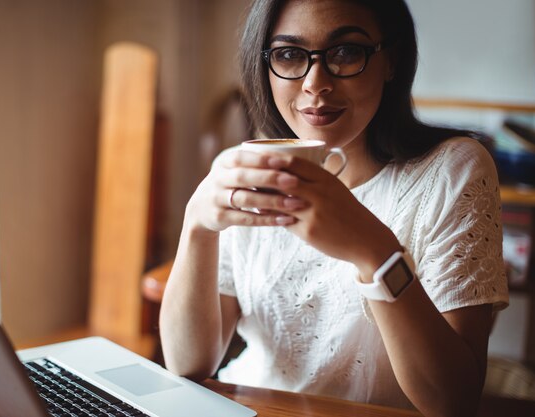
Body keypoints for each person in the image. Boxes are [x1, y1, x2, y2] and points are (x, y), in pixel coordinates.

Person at [159, 1, 509, 416]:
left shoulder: (452, 171)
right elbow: (188, 364)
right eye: (289, 54)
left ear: (391, 60)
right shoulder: (244, 171)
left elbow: (453, 401)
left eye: (346, 53)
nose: (315, 83)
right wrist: (196, 228)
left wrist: (373, 252)